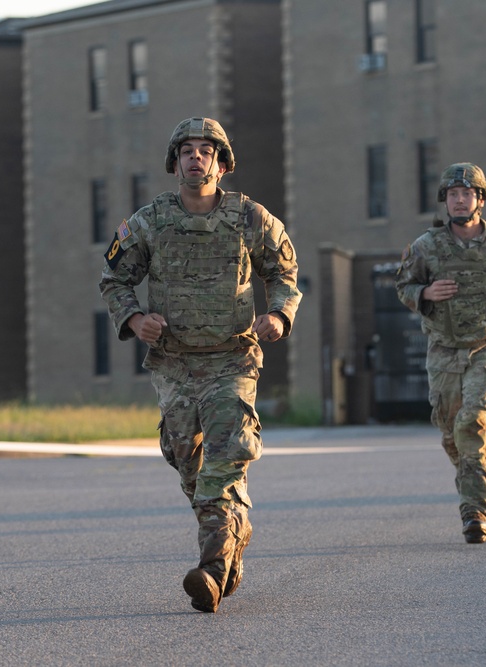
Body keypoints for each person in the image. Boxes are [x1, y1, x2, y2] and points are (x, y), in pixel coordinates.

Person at [99, 117, 301, 612]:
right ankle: (234, 528)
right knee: (187, 461)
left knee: (227, 451)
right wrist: (134, 317)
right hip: (173, 363)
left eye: (206, 150)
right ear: (175, 163)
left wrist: (279, 314)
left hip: (232, 359)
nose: (196, 157)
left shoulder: (251, 218)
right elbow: (113, 278)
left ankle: (210, 568)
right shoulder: (149, 221)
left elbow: (285, 272)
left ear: (222, 162)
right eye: (187, 150)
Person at [395, 162, 486, 544]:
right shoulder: (427, 246)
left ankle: (474, 513)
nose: (460, 200)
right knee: (450, 432)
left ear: (481, 199)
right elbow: (403, 286)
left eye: (467, 194)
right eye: (453, 195)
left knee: (470, 421)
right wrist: (423, 293)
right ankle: (474, 472)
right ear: (446, 201)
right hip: (443, 349)